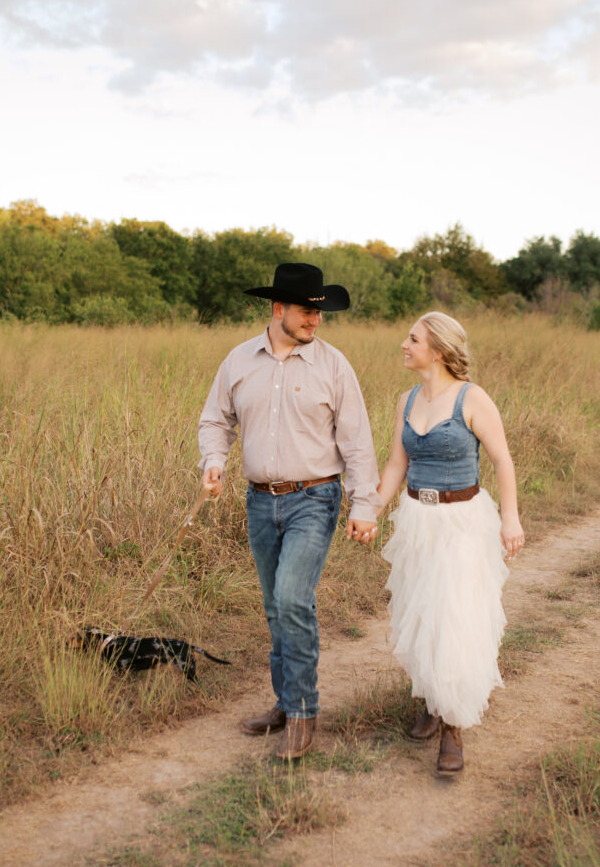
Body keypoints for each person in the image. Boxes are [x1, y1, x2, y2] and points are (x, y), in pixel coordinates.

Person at [198, 262, 380, 760]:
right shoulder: (238, 362)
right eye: (306, 311)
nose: (315, 321)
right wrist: (214, 460)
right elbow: (216, 420)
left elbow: (357, 442)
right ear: (278, 310)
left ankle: (302, 712)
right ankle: (284, 702)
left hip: (315, 497)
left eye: (319, 313)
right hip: (259, 500)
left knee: (293, 597)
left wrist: (365, 505)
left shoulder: (334, 366)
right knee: (276, 605)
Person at [372, 311, 524, 775]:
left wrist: (511, 519)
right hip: (418, 519)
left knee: (455, 614)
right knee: (421, 612)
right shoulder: (407, 400)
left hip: (463, 522)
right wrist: (370, 511)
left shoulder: (472, 399)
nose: (404, 344)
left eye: (412, 339)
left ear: (436, 351)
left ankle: (453, 729)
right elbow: (397, 465)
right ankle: (433, 702)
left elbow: (502, 461)